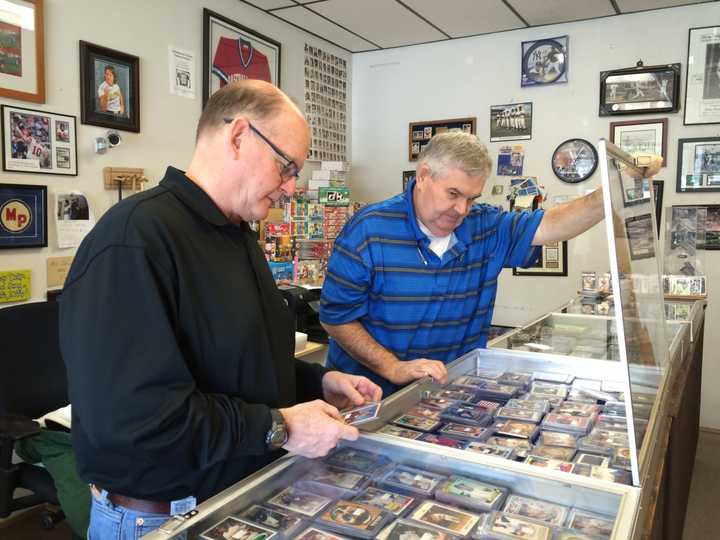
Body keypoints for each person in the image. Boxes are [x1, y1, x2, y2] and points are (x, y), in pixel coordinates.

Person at [60, 79, 381, 539]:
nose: (291, 187)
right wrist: (279, 427)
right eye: (286, 167)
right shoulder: (135, 238)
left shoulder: (237, 237)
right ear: (238, 136)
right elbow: (133, 420)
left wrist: (318, 382)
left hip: (238, 500)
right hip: (162, 517)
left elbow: (238, 366)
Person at [320, 132, 660, 396]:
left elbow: (554, 224)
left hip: (446, 394)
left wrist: (614, 189)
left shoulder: (485, 224)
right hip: (369, 395)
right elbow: (336, 319)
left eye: (472, 198)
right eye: (453, 194)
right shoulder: (368, 230)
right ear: (423, 176)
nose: (462, 210)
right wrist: (393, 367)